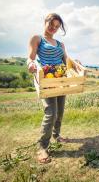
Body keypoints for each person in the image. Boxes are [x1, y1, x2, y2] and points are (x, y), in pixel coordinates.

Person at [27, 13, 81, 164]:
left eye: (57, 27)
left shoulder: (60, 44)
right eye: (52, 25)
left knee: (60, 112)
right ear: (45, 22)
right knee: (51, 113)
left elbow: (66, 60)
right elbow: (30, 58)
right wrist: (30, 65)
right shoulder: (37, 39)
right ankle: (42, 147)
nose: (54, 28)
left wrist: (74, 62)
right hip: (47, 80)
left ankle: (56, 136)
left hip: (61, 79)